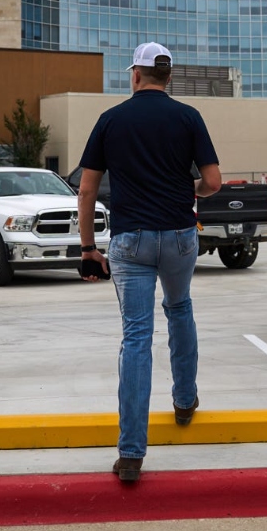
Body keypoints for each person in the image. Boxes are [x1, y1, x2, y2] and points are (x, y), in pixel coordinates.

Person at [77, 42, 221, 483]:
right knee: (180, 308)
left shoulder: (110, 120)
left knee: (136, 336)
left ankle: (132, 453)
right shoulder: (188, 117)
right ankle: (184, 401)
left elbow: (86, 191)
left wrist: (87, 249)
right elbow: (213, 181)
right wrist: (189, 192)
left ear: (135, 76)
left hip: (129, 242)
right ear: (168, 77)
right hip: (179, 236)